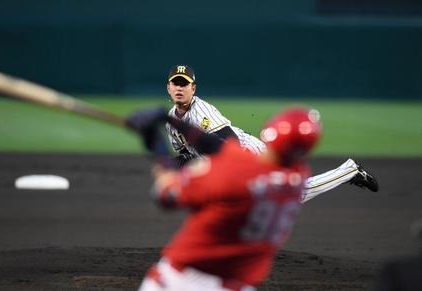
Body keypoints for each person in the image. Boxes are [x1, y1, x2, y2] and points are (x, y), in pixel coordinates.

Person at [127, 105, 322, 291]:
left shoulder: (230, 176)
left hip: (180, 281)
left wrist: (156, 146)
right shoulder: (298, 176)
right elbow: (220, 148)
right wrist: (170, 119)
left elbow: (165, 195)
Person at [164, 64, 378, 203]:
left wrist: (206, 168)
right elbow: (186, 154)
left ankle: (349, 171)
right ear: (169, 88)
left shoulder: (201, 112)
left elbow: (231, 142)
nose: (180, 88)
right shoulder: (171, 120)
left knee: (293, 195)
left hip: (250, 155)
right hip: (230, 164)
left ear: (194, 88)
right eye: (176, 83)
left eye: (185, 83)